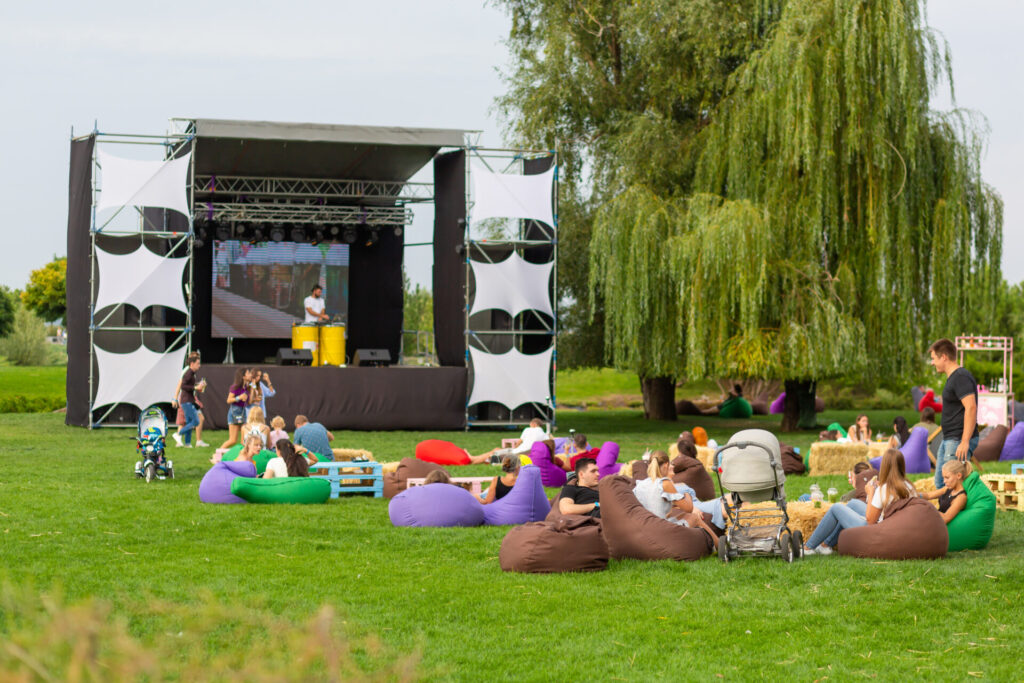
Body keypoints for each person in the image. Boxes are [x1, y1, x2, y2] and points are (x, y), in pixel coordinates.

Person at [804, 448, 916, 555]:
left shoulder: (884, 489)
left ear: (885, 467)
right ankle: (825, 546)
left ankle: (808, 547)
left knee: (836, 508)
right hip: (890, 526)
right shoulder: (909, 487)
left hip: (875, 532)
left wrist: (871, 492)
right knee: (853, 503)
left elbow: (870, 520)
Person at [929, 338, 979, 488]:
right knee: (940, 483)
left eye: (933, 358)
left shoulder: (960, 377)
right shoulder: (953, 378)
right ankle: (946, 511)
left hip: (958, 440)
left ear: (943, 356)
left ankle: (956, 511)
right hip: (949, 438)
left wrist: (964, 441)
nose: (932, 363)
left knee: (951, 486)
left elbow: (971, 407)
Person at [632, 451, 717, 536]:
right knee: (694, 518)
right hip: (660, 530)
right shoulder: (665, 483)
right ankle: (719, 546)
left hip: (645, 528)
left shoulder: (640, 484)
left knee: (679, 515)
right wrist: (687, 494)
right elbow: (689, 509)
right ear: (666, 465)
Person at [171, 352, 208, 448]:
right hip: (186, 401)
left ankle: (187, 444)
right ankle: (178, 434)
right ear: (192, 363)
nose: (199, 366)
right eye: (198, 363)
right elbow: (183, 385)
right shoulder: (188, 372)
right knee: (196, 421)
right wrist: (175, 398)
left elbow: (189, 385)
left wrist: (198, 386)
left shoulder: (192, 373)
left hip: (189, 400)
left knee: (189, 422)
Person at [918, 459, 971, 524]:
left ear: (958, 476)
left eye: (947, 478)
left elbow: (946, 518)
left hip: (942, 527)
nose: (944, 481)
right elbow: (929, 495)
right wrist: (915, 495)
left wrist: (929, 508)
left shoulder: (961, 497)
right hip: (936, 520)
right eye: (943, 478)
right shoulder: (948, 488)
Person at [484, 418, 550, 462]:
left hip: (518, 452)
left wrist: (514, 448)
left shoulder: (527, 429)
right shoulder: (544, 435)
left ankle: (486, 459)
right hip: (531, 454)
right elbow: (550, 442)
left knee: (496, 451)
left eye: (530, 424)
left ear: (534, 424)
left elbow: (519, 442)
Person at [218, 368, 250, 450]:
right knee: (232, 440)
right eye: (248, 373)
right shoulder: (235, 387)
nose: (250, 374)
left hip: (243, 412)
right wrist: (239, 397)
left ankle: (243, 457)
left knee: (245, 439)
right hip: (234, 412)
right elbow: (229, 400)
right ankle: (217, 455)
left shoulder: (247, 387)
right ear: (243, 376)